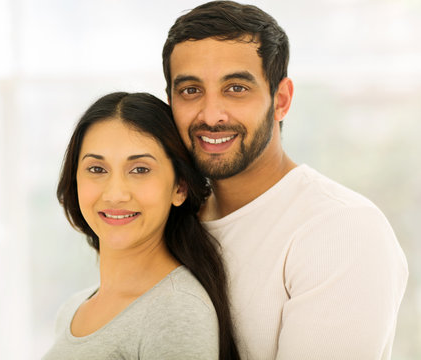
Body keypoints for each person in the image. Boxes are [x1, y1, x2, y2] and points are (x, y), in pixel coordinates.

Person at [162, 1, 408, 359]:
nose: (211, 115)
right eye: (190, 91)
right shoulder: (172, 219)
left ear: (281, 100)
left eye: (236, 88)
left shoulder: (341, 228)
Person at [42, 92, 240, 359]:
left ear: (179, 187)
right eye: (97, 169)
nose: (115, 194)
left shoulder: (176, 313)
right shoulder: (72, 310)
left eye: (140, 170)